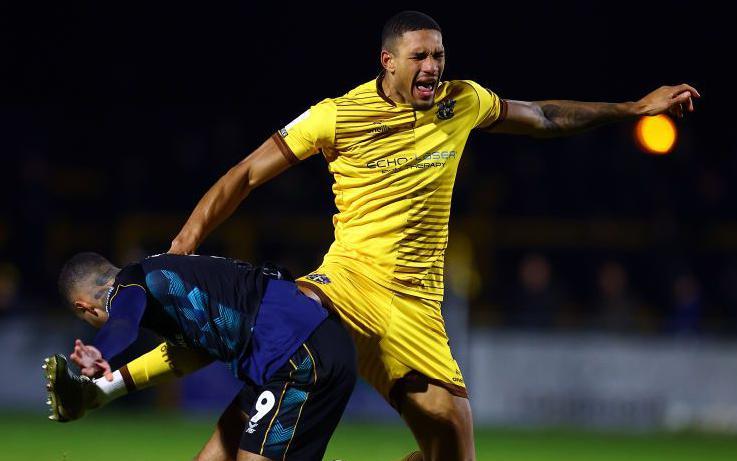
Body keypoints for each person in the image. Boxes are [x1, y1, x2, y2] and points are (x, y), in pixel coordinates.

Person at [99, 10, 699, 461]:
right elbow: (246, 174)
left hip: (417, 309)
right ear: (387, 60)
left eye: (439, 55)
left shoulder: (462, 102)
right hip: (348, 286)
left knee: (453, 446)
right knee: (273, 356)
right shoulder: (338, 114)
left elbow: (541, 116)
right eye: (420, 56)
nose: (434, 67)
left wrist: (630, 109)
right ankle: (107, 384)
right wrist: (183, 246)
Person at [46, 252, 356, 461]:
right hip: (282, 359)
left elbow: (123, 323)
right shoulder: (165, 280)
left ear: (83, 307)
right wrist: (101, 392)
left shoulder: (129, 285)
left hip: (298, 354)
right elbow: (186, 356)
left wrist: (100, 351)